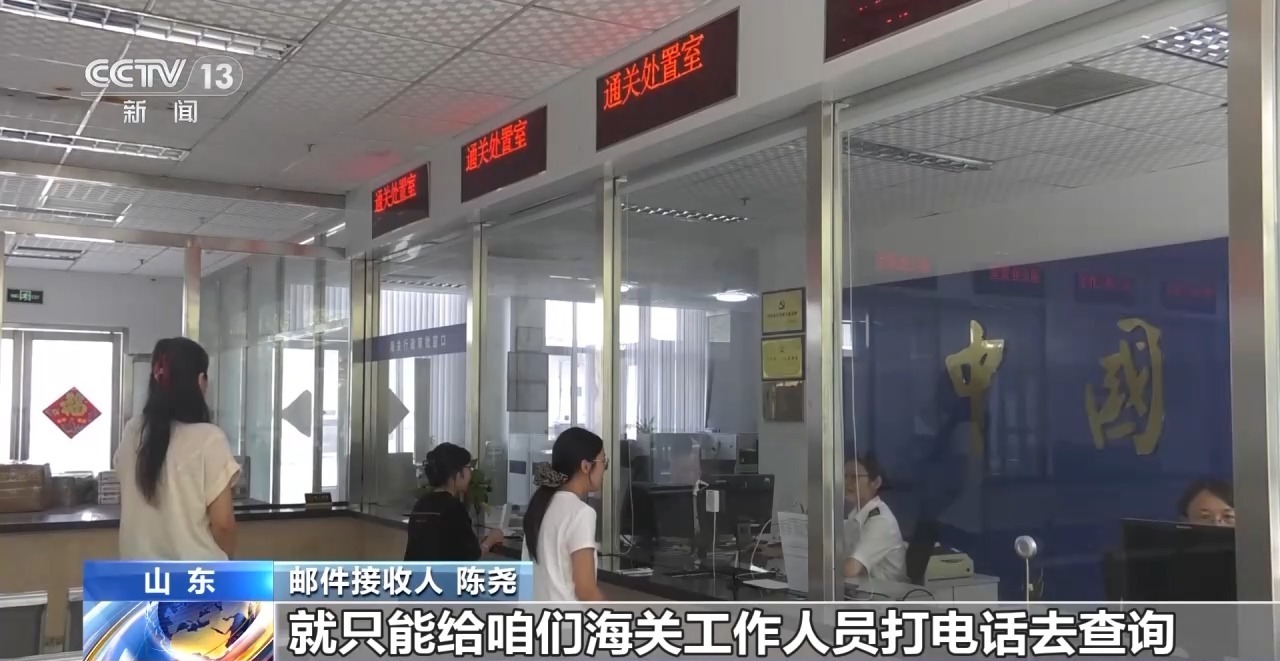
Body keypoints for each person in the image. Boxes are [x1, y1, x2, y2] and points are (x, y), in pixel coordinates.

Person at [116, 338, 240, 560]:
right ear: (200, 380)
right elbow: (223, 525)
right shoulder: (209, 438)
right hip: (196, 574)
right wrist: (228, 562)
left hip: (138, 574)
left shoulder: (132, 430)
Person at [522, 427, 609, 601]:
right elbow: (586, 591)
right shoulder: (581, 513)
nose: (605, 469)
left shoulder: (540, 506)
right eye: (603, 462)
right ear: (586, 466)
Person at [404, 442, 504, 561]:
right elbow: (471, 557)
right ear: (456, 473)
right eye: (468, 468)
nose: (471, 473)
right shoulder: (454, 509)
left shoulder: (421, 504)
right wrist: (491, 540)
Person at [843, 454, 908, 582]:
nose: (847, 483)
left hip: (888, 591)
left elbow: (851, 569)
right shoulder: (855, 514)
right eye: (845, 476)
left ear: (876, 482)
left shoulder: (881, 520)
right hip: (865, 587)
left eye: (854, 477)